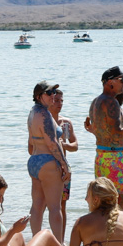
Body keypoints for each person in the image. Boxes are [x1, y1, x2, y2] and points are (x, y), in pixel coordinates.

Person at [84, 66, 123, 209]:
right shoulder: (111, 102)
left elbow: (101, 131)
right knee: (118, 207)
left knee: (102, 206)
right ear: (110, 82)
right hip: (116, 158)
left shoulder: (95, 102)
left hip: (101, 157)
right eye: (121, 79)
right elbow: (117, 134)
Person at [27, 81, 71, 244]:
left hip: (34, 161)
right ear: (39, 96)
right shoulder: (45, 114)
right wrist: (65, 165)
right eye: (49, 93)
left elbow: (30, 142)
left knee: (37, 206)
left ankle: (34, 244)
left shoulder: (33, 112)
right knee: (55, 208)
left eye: (54, 92)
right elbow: (52, 143)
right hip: (48, 161)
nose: (53, 95)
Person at [49, 88, 77, 237]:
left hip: (63, 168)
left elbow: (75, 145)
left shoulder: (66, 123)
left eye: (61, 101)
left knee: (62, 205)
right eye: (56, 100)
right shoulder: (42, 121)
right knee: (43, 204)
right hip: (46, 167)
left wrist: (63, 145)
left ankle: (60, 239)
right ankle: (44, 238)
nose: (59, 103)